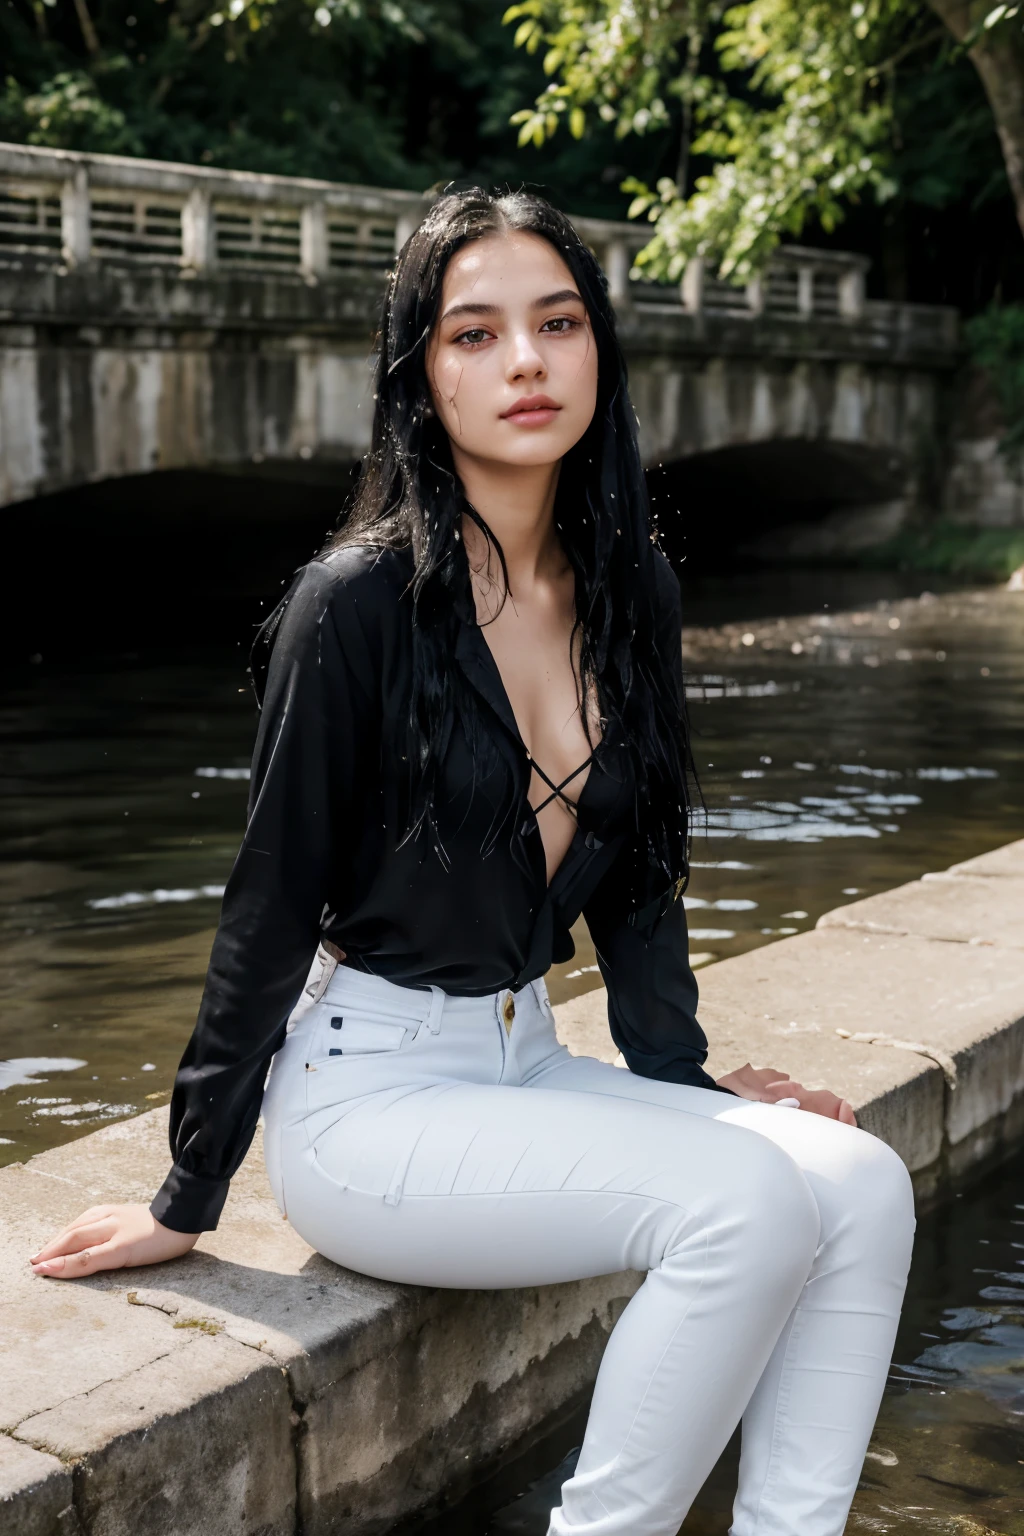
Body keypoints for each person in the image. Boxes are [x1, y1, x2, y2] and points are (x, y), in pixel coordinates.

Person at [30, 188, 915, 1536]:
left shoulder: (634, 588)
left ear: (597, 352)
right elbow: (268, 901)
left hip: (525, 1061)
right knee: (743, 1204)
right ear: (420, 373)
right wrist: (188, 1187)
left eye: (557, 323)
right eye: (474, 332)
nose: (523, 362)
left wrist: (687, 1083)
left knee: (855, 1181)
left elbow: (637, 884)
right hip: (367, 1111)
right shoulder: (360, 602)